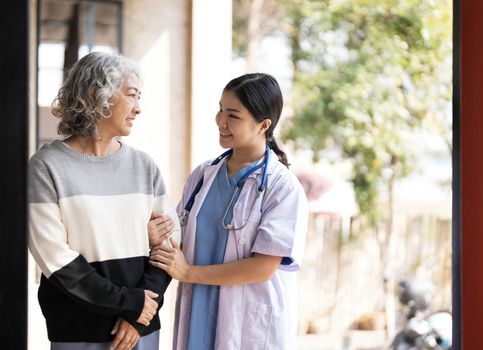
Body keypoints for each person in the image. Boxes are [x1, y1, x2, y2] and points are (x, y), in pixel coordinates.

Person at [28, 51, 179, 350]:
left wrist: (139, 314)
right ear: (97, 94)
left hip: (141, 330)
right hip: (77, 330)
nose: (139, 108)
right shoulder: (47, 167)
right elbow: (56, 259)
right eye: (132, 95)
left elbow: (169, 245)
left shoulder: (143, 166)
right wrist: (129, 303)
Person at [149, 73, 309, 350]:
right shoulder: (203, 175)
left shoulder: (282, 187)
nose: (221, 121)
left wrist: (188, 273)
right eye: (220, 110)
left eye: (233, 115)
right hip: (199, 309)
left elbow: (263, 267)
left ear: (263, 125)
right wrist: (156, 235)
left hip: (247, 323)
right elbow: (179, 239)